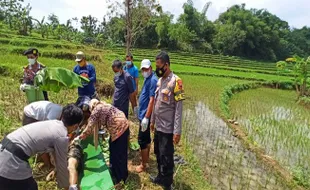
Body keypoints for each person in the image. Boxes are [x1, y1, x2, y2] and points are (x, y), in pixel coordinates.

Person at [0, 104, 83, 190]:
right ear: (76, 126)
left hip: (3, 149)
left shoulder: (52, 123)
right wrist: (68, 187)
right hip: (12, 161)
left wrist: (55, 168)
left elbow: (55, 155)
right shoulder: (62, 137)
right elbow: (62, 166)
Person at [149, 52, 185, 190]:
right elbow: (157, 103)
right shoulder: (160, 81)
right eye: (156, 65)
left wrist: (177, 131)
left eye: (159, 66)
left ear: (167, 65)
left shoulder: (176, 82)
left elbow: (179, 109)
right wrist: (152, 121)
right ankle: (160, 176)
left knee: (167, 156)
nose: (157, 68)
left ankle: (167, 183)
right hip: (158, 125)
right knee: (158, 152)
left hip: (168, 128)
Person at [77, 99, 130, 188]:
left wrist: (79, 137)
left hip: (118, 128)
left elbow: (90, 126)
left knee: (118, 153)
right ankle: (115, 170)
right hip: (124, 125)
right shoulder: (103, 105)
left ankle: (120, 178)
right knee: (113, 149)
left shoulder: (96, 110)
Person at [136, 59, 158, 173]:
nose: (144, 71)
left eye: (146, 69)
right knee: (147, 138)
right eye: (143, 69)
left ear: (151, 68)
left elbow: (152, 100)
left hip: (145, 115)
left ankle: (143, 165)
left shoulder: (153, 80)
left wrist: (146, 117)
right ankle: (146, 160)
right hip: (143, 113)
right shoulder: (148, 78)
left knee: (142, 140)